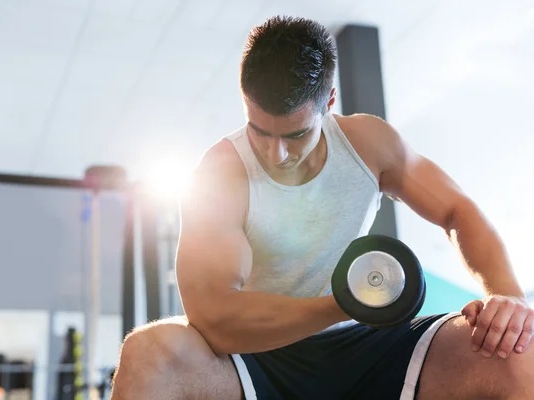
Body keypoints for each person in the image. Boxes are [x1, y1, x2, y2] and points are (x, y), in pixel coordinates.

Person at [111, 16, 534, 399]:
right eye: (259, 131)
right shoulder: (220, 174)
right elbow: (215, 319)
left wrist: (508, 297)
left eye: (294, 135)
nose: (275, 154)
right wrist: (342, 303)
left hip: (372, 347)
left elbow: (457, 210)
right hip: (257, 357)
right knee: (148, 353)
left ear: (329, 102)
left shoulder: (368, 144)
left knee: (518, 348)